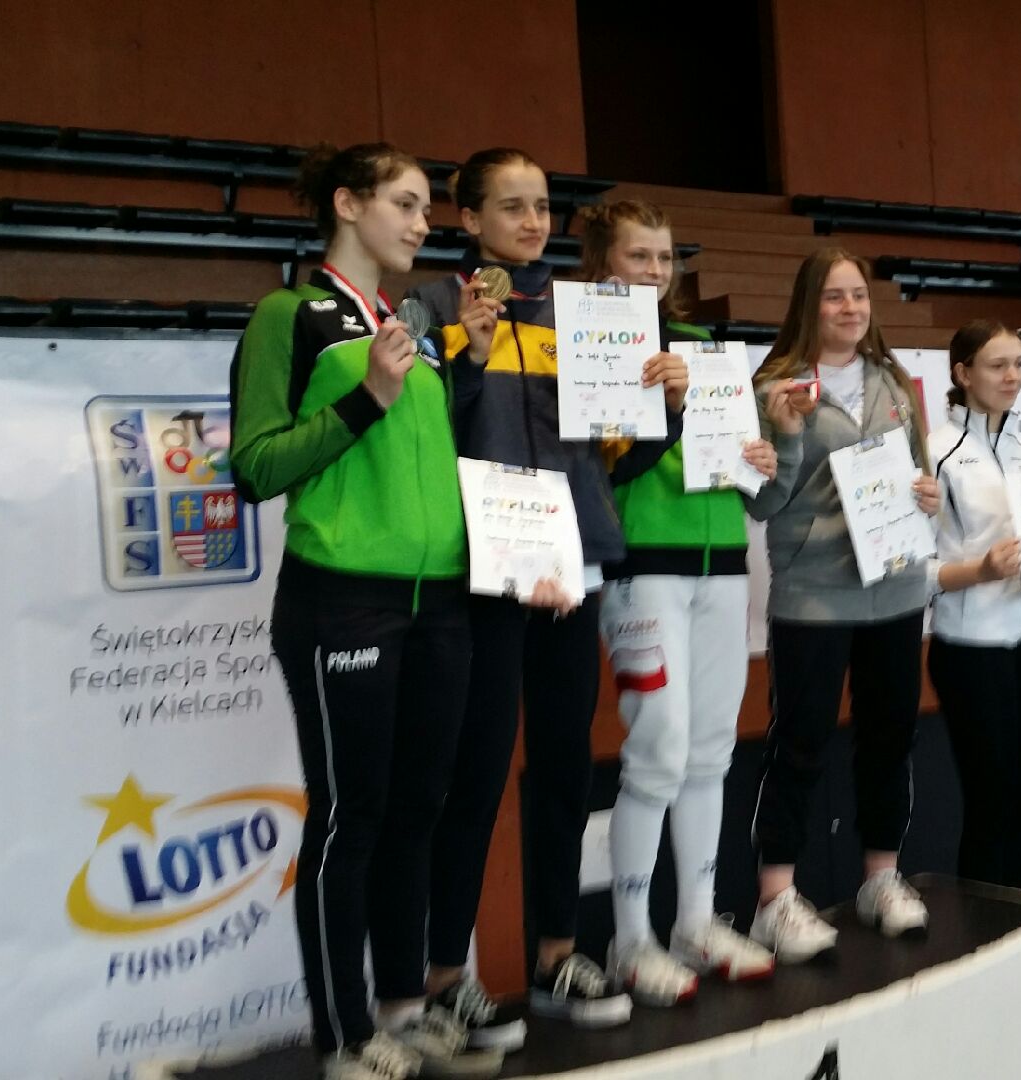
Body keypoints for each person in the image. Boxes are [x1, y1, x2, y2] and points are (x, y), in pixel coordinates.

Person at [405, 152, 687, 1042]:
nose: (532, 222)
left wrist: (664, 408)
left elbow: (616, 460)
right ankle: (445, 976)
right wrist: (466, 354)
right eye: (511, 207)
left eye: (541, 207)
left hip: (575, 565)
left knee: (566, 768)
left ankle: (557, 955)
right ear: (468, 218)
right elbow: (418, 439)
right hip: (484, 573)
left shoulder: (586, 313)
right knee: (475, 772)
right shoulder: (432, 306)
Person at [234, 143, 501, 1080]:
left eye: (426, 207)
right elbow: (256, 467)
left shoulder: (409, 324)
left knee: (417, 811)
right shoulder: (289, 315)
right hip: (342, 602)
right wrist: (368, 397)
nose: (424, 223)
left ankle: (401, 1007)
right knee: (352, 818)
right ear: (347, 204)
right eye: (406, 203)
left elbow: (428, 459)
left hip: (440, 603)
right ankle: (344, 1036)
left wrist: (465, 366)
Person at [588, 199, 804, 1005]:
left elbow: (748, 484)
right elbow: (603, 468)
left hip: (722, 566)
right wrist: (669, 411)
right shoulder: (593, 342)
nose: (654, 270)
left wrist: (763, 452)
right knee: (660, 746)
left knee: (712, 749)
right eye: (637, 256)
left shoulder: (707, 346)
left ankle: (695, 920)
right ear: (602, 264)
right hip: (642, 568)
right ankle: (629, 941)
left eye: (664, 257)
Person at [746, 247, 941, 962]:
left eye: (859, 294)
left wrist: (928, 495)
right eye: (835, 296)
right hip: (814, 596)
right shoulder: (773, 385)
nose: (851, 308)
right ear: (809, 304)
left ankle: (880, 879)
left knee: (890, 739)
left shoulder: (894, 381)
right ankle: (775, 898)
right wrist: (789, 436)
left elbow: (919, 473)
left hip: (895, 590)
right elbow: (763, 502)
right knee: (799, 745)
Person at [926, 319, 1021, 889]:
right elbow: (913, 571)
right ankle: (983, 932)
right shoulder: (935, 451)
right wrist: (980, 571)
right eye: (997, 365)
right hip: (973, 651)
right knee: (990, 804)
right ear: (963, 373)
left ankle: (1015, 927)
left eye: (1019, 363)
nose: (1013, 376)